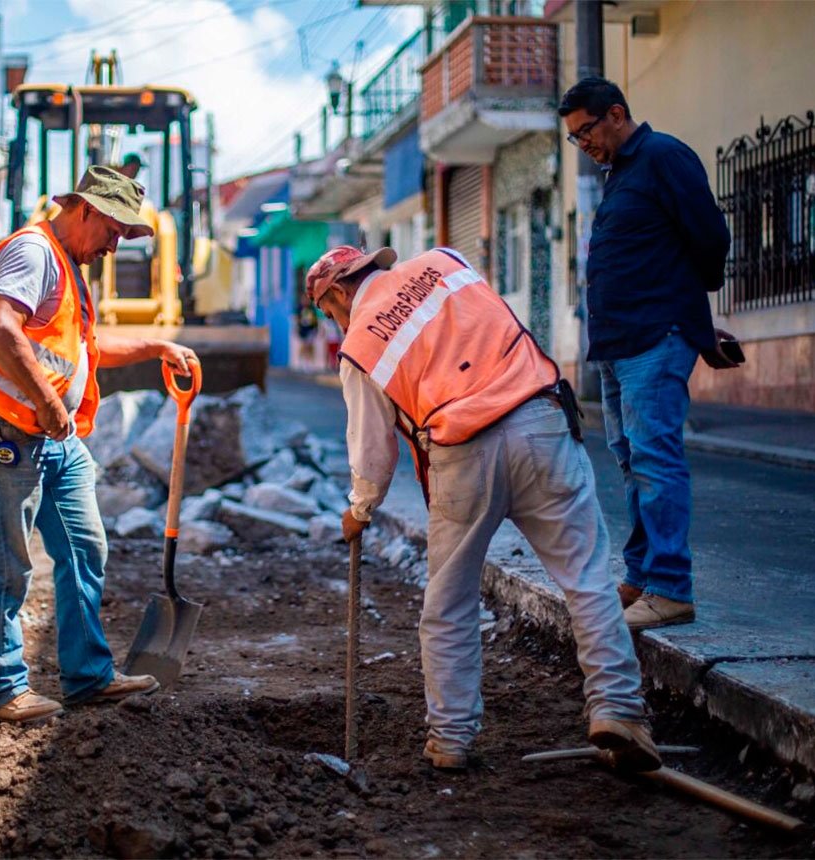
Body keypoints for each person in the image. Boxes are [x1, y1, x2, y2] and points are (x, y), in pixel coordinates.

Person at [306, 244, 659, 774]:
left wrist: (360, 508)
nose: (334, 320)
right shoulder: (446, 263)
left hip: (463, 452)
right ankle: (618, 708)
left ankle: (450, 738)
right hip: (540, 420)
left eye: (328, 310)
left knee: (448, 603)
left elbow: (371, 450)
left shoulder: (360, 345)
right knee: (586, 579)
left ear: (336, 291)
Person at [0, 165, 197, 723]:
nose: (116, 245)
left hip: (54, 438)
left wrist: (157, 346)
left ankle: (87, 676)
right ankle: (3, 689)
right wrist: (46, 402)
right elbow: (0, 327)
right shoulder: (33, 252)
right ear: (85, 209)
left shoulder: (67, 267)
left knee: (86, 547)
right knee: (5, 566)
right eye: (114, 230)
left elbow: (87, 349)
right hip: (10, 434)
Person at [559, 77, 738, 631]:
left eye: (585, 130)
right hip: (618, 343)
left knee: (656, 461)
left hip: (655, 336)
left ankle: (670, 588)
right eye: (573, 138)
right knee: (632, 461)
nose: (582, 144)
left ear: (615, 114)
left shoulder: (663, 156)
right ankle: (641, 576)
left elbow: (709, 237)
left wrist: (688, 312)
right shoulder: (619, 176)